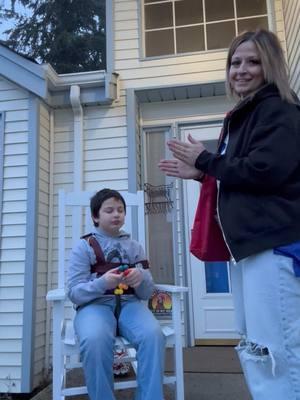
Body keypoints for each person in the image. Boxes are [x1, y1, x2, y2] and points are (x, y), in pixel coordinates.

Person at [159, 29, 300, 400]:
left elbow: (265, 170)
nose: (241, 69)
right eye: (235, 62)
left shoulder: (279, 110)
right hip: (252, 250)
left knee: (277, 351)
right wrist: (205, 172)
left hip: (274, 248)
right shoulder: (247, 113)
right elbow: (244, 169)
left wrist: (206, 160)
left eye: (253, 61)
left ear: (271, 66)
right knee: (257, 346)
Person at [67, 188, 165, 400]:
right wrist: (102, 283)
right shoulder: (84, 247)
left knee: (153, 335)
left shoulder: (135, 247)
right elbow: (74, 293)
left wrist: (141, 278)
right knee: (94, 339)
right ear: (95, 216)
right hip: (95, 306)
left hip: (130, 304)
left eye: (120, 210)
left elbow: (147, 293)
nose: (116, 214)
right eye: (109, 210)